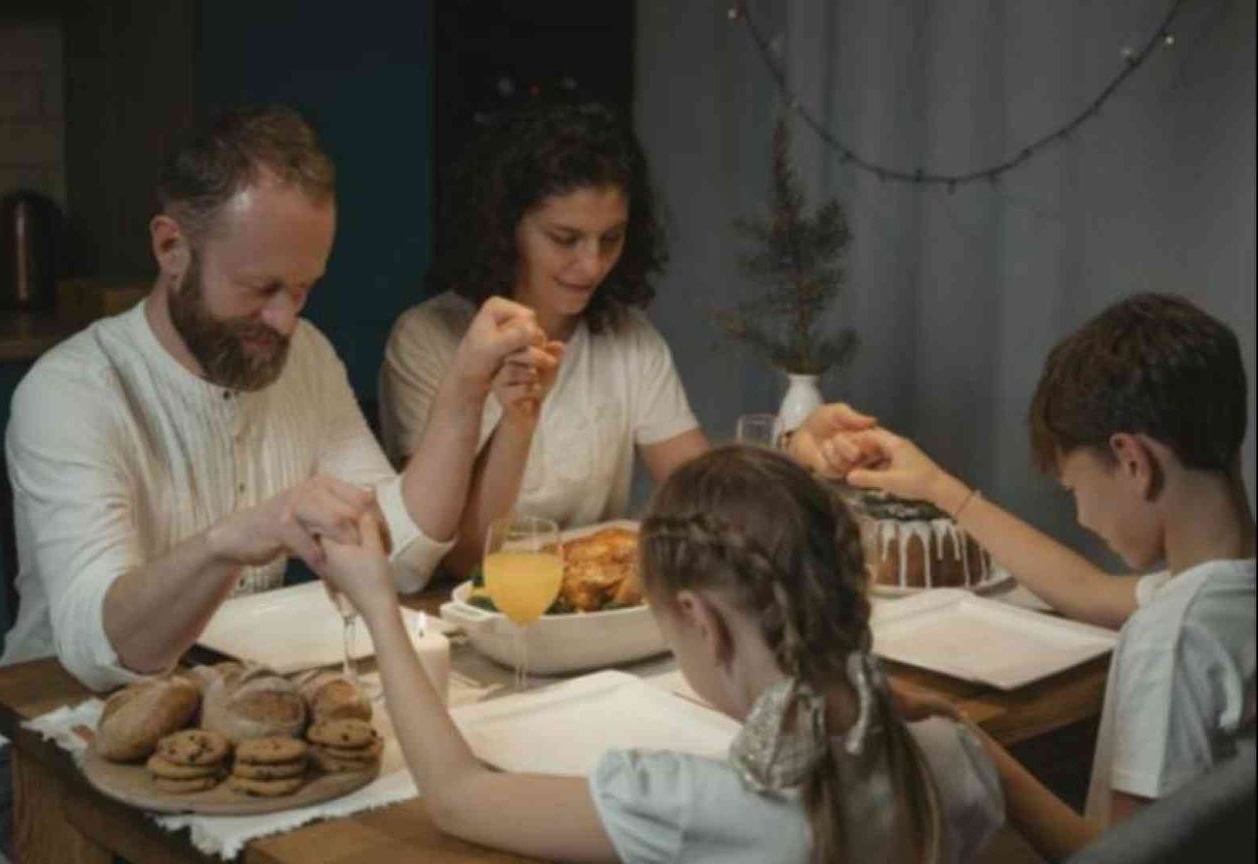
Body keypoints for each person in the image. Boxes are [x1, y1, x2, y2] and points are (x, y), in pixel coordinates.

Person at [0, 106, 547, 853]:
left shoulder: (305, 357)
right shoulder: (73, 392)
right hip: (51, 741)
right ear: (171, 247)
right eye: (260, 288)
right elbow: (96, 649)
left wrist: (466, 389)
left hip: (238, 718)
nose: (284, 319)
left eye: (304, 288)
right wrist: (236, 538)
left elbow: (398, 553)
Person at [316, 446, 1005, 863]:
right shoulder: (950, 758)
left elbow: (459, 800)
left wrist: (381, 607)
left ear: (696, 618)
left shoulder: (692, 805)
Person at [831, 294, 1255, 859]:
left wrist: (963, 735)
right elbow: (1089, 592)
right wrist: (938, 488)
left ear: (1132, 460)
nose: (1080, 515)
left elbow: (1116, 855)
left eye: (1075, 489)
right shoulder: (1221, 595)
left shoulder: (1173, 639)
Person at [379, 101, 871, 576]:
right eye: (565, 239)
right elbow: (465, 560)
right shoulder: (427, 339)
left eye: (610, 239)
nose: (591, 265)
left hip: (595, 605)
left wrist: (791, 452)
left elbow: (703, 493)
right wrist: (516, 422)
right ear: (506, 229)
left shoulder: (629, 337)